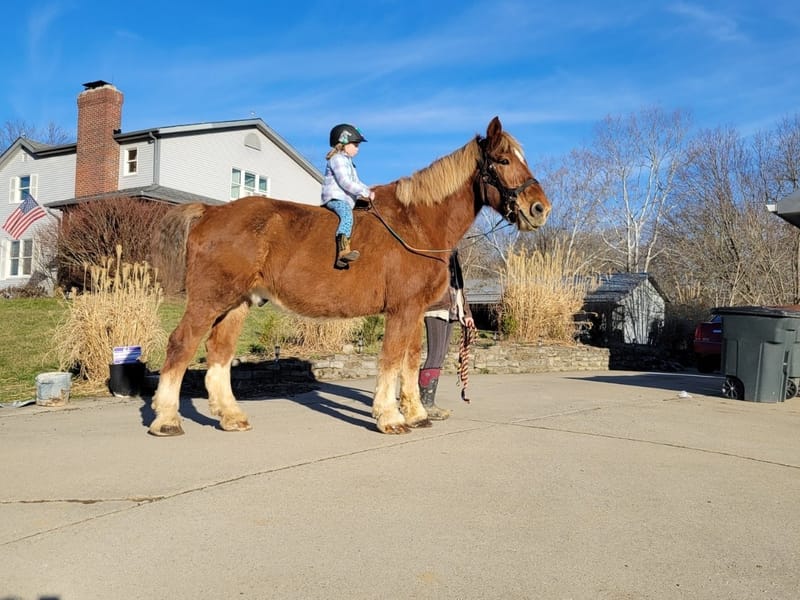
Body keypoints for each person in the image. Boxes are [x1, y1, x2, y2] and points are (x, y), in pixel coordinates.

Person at [419, 250, 475, 420]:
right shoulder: (434, 249)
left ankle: (426, 401)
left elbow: (459, 288)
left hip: (452, 310)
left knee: (441, 355)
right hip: (436, 308)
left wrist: (466, 313)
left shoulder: (454, 254)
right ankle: (424, 404)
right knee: (435, 355)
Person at [321, 123, 375, 269]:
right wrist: (363, 192)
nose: (358, 149)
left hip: (346, 200)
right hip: (335, 199)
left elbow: (357, 182)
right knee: (347, 215)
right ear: (343, 142)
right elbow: (345, 182)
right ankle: (343, 251)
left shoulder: (349, 163)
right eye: (355, 144)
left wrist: (369, 190)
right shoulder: (337, 159)